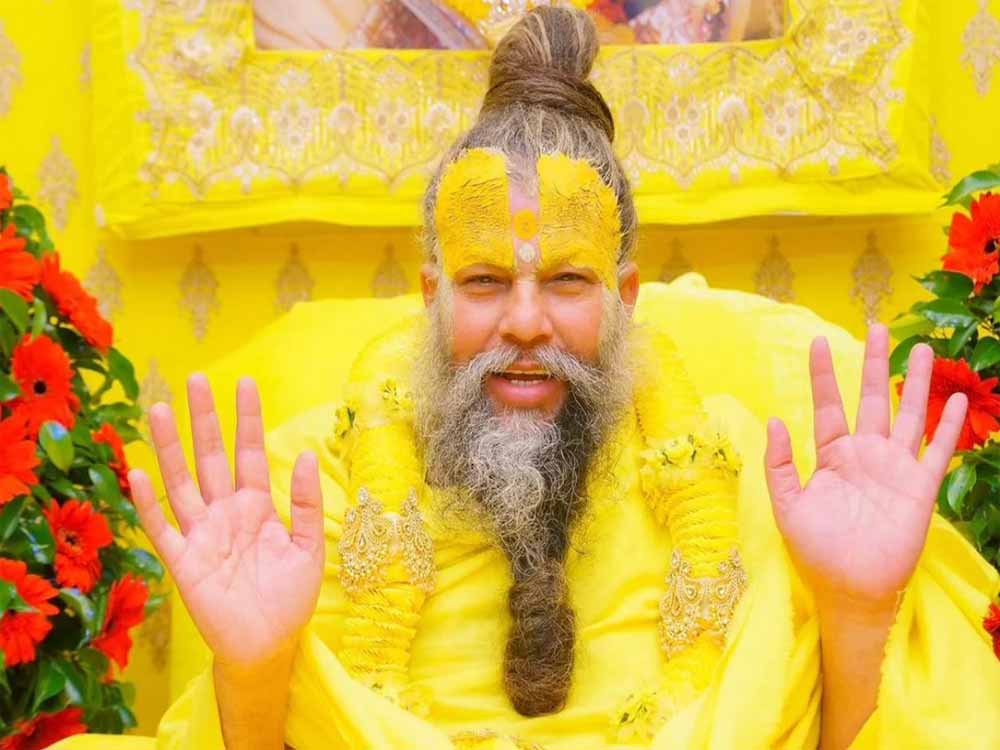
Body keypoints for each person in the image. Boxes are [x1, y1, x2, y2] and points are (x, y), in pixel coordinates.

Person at [55, 6, 1000, 750]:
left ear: (625, 296)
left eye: (568, 281)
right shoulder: (306, 497)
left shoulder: (765, 479)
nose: (523, 322)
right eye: (483, 282)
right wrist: (254, 670)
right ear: (431, 295)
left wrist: (857, 611)